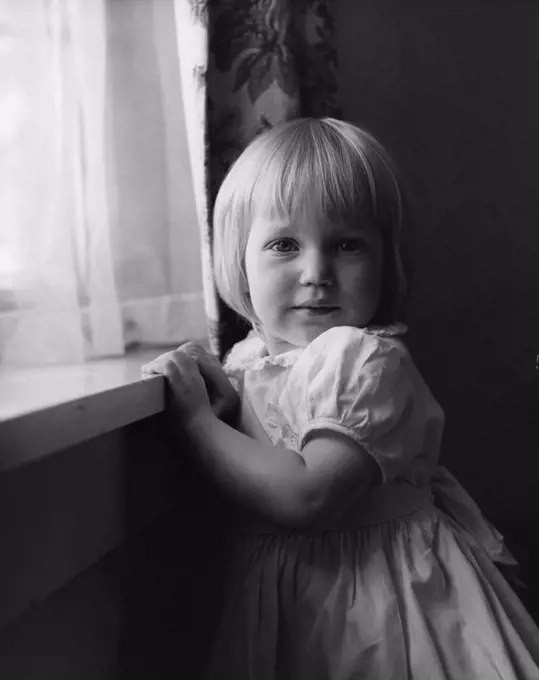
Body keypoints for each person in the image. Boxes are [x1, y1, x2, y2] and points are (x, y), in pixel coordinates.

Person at [142, 118, 539, 679]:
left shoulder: (363, 360)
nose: (316, 272)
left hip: (378, 609)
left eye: (347, 244)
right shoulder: (247, 362)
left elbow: (306, 498)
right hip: (291, 603)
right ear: (239, 260)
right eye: (284, 244)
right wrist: (222, 400)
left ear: (385, 259)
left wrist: (198, 423)